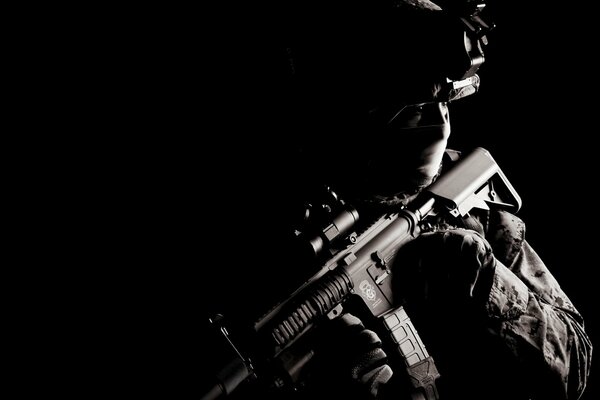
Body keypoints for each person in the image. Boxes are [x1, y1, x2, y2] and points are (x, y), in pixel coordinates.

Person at [200, 1, 593, 400]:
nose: (437, 122)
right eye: (415, 108)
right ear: (368, 113)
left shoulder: (464, 206)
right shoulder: (298, 212)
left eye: (442, 103)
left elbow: (573, 365)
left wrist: (488, 282)